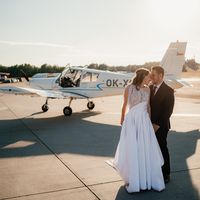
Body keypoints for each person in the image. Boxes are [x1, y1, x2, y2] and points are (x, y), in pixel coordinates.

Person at [112, 68, 165, 193]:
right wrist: (122, 120)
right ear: (143, 76)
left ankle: (146, 178)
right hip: (131, 121)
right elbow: (124, 105)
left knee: (144, 148)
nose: (150, 78)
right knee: (133, 148)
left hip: (144, 121)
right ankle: (134, 178)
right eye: (148, 76)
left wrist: (150, 122)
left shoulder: (148, 89)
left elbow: (148, 106)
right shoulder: (128, 88)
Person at [150, 66, 175, 183]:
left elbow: (168, 111)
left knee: (162, 148)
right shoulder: (149, 88)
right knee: (150, 150)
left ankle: (166, 173)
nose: (151, 77)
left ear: (161, 76)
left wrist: (157, 125)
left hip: (161, 126)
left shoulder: (169, 90)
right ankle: (153, 171)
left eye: (153, 75)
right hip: (148, 126)